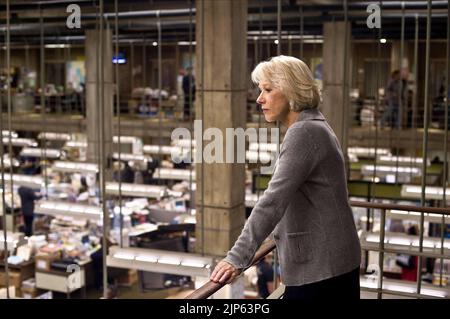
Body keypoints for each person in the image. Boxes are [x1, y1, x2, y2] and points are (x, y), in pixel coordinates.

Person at [210, 56, 361, 300]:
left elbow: (272, 201)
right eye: (260, 90)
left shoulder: (304, 132)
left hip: (322, 268)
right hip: (334, 261)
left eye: (268, 90)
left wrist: (236, 257)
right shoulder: (314, 125)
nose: (260, 99)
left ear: (291, 91)